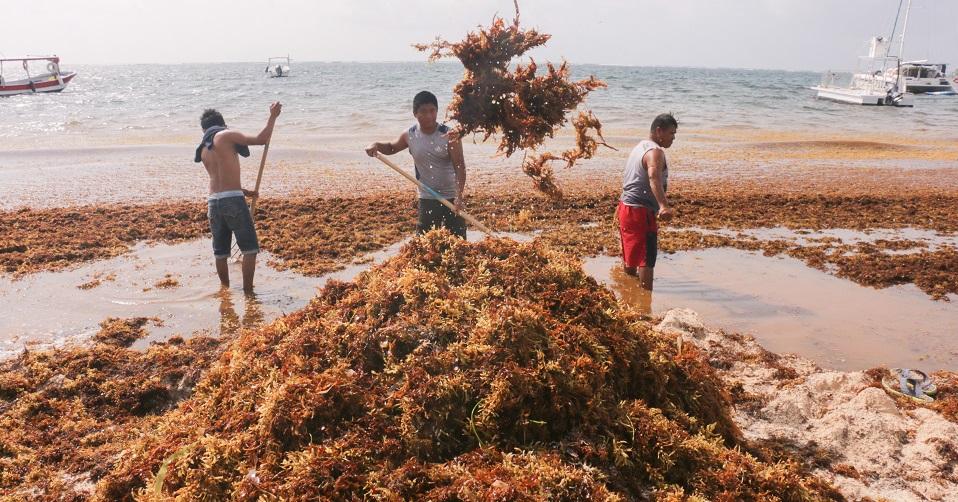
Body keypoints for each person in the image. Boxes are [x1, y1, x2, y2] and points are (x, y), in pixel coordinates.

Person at [194, 102, 281, 293]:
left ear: (204, 130)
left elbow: (219, 178)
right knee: (250, 249)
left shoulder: (203, 149)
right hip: (232, 200)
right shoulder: (226, 135)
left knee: (220, 253)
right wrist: (273, 116)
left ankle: (225, 290)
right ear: (222, 124)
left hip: (213, 202)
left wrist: (244, 191)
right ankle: (248, 292)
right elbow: (261, 139)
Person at [364, 91, 467, 238]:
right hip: (427, 195)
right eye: (423, 111)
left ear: (437, 111)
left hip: (451, 195)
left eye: (432, 111)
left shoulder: (450, 135)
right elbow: (391, 148)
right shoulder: (410, 134)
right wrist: (376, 145)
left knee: (458, 239)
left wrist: (459, 196)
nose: (429, 116)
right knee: (424, 241)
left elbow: (460, 167)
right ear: (415, 113)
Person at [617, 113, 678, 293]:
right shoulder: (655, 152)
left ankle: (628, 292)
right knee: (646, 258)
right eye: (671, 133)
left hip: (626, 206)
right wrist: (663, 205)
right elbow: (653, 177)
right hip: (640, 211)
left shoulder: (640, 147)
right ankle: (645, 299)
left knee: (631, 252)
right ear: (659, 131)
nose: (673, 138)